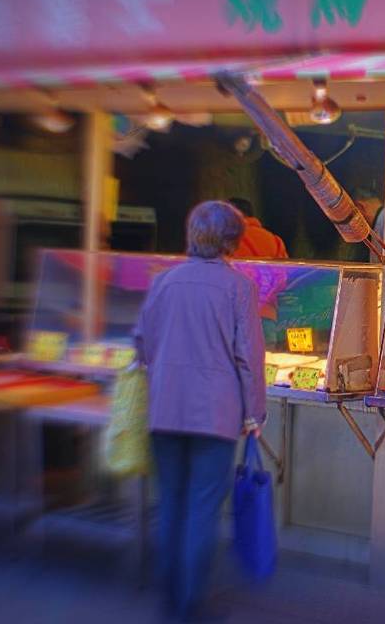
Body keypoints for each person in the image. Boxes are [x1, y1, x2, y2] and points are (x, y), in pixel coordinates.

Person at [134, 200, 266, 621]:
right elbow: (249, 358)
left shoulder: (164, 282)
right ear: (233, 241)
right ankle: (190, 604)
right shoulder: (240, 288)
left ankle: (168, 599)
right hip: (216, 413)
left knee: (170, 502)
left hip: (165, 409)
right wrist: (254, 415)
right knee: (202, 508)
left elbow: (142, 343)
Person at [228, 197, 288, 348]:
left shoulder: (226, 240)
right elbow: (283, 280)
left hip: (232, 316)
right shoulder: (274, 240)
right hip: (266, 317)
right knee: (265, 368)